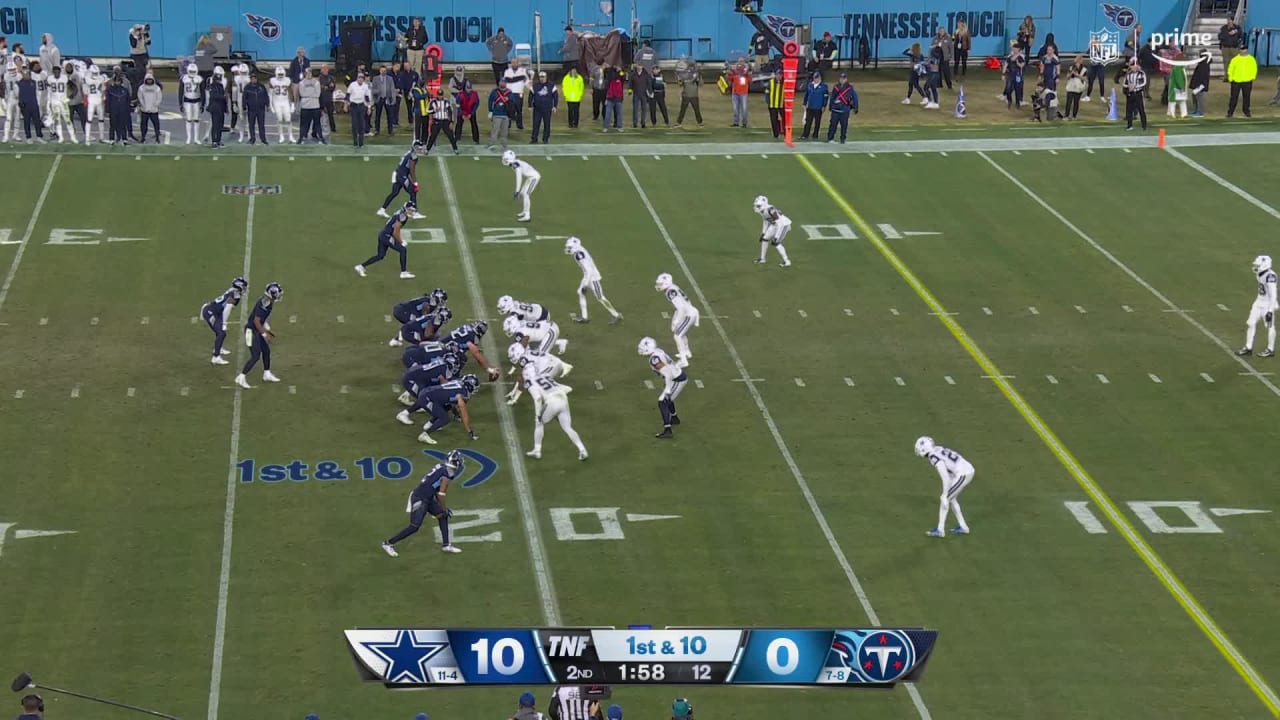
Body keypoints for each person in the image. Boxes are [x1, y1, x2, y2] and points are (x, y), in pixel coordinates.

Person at [508, 343, 587, 460]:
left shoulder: (529, 381)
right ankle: (582, 449)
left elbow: (538, 398)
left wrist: (538, 414)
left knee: (538, 423)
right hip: (562, 398)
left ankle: (537, 450)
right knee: (568, 427)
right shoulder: (545, 375)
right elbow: (568, 388)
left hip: (552, 402)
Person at [381, 449, 465, 556]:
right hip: (420, 498)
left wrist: (441, 509)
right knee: (414, 526)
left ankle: (446, 545)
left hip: (427, 496)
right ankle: (388, 543)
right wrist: (443, 508)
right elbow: (441, 494)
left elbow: (434, 486)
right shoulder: (448, 473)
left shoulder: (442, 467)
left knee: (443, 516)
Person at [915, 436, 976, 537]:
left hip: (964, 473)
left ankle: (940, 530)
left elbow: (946, 478)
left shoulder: (933, 457)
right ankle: (963, 527)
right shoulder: (937, 448)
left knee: (945, 498)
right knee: (951, 498)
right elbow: (950, 466)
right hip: (963, 470)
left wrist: (945, 493)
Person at [234, 282, 284, 389]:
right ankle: (241, 377)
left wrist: (267, 330)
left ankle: (267, 374)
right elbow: (256, 321)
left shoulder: (268, 301)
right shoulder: (265, 303)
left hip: (256, 330)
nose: (279, 295)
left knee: (266, 351)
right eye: (278, 294)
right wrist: (265, 334)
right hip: (250, 331)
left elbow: (261, 321)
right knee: (255, 356)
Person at [565, 236, 622, 324]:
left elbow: (589, 270)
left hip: (592, 278)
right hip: (587, 276)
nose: (568, 248)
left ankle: (616, 315)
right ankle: (584, 317)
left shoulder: (579, 256)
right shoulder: (579, 248)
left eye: (570, 247)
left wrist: (585, 285)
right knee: (580, 292)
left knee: (600, 298)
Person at [638, 336, 687, 439]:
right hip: (675, 376)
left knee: (662, 402)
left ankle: (667, 430)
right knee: (667, 399)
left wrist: (668, 389)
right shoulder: (657, 351)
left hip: (677, 379)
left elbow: (667, 373)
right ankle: (674, 418)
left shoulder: (654, 359)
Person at [356, 202, 417, 279]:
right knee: (403, 250)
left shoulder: (400, 213)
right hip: (387, 236)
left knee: (380, 256)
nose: (412, 212)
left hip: (383, 234)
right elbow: (395, 232)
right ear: (406, 209)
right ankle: (403, 273)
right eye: (411, 210)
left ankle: (361, 266)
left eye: (413, 210)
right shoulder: (403, 217)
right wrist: (401, 241)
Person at [654, 272, 700, 367]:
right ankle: (686, 352)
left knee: (677, 336)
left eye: (660, 284)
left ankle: (684, 361)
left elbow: (681, 308)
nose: (658, 285)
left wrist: (676, 321)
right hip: (689, 311)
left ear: (666, 283)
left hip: (688, 314)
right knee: (677, 331)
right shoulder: (672, 287)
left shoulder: (670, 292)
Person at [1237, 254, 1278, 358]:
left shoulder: (1270, 276)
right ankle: (1248, 347)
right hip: (1258, 301)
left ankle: (1270, 349)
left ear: (1264, 265)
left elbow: (1273, 295)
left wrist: (1270, 310)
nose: (1256, 267)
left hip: (1268, 303)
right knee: (1250, 323)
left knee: (1269, 326)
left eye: (1258, 265)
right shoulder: (1260, 273)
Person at [202, 277, 247, 364]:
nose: (245, 289)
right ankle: (216, 357)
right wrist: (224, 323)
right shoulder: (234, 296)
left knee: (221, 333)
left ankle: (218, 348)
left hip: (216, 312)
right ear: (239, 288)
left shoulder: (234, 292)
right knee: (221, 333)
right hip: (210, 313)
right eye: (243, 287)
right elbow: (227, 310)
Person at [752, 195, 792, 267]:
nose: (757, 207)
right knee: (765, 239)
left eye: (758, 206)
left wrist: (776, 237)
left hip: (783, 225)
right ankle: (762, 259)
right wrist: (763, 233)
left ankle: (787, 261)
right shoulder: (762, 211)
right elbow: (766, 220)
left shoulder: (770, 210)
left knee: (776, 243)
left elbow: (780, 223)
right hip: (775, 224)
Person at [503, 150, 540, 222]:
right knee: (523, 193)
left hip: (534, 177)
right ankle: (525, 211)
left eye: (505, 159)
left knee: (526, 194)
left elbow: (519, 178)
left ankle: (527, 215)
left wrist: (517, 191)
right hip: (530, 177)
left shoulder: (515, 165)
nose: (504, 160)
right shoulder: (515, 162)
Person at [45, 63, 74, 143]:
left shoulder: (64, 78)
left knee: (67, 120)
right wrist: (49, 103)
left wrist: (69, 98)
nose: (56, 73)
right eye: (55, 72)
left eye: (58, 72)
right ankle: (61, 137)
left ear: (60, 72)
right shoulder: (49, 79)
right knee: (57, 120)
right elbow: (48, 92)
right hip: (54, 102)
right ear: (53, 72)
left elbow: (74, 87)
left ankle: (72, 137)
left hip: (63, 101)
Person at [826, 72, 857, 143]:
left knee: (844, 126)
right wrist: (831, 106)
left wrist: (855, 107)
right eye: (841, 78)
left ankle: (843, 138)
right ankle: (830, 138)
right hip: (835, 110)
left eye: (843, 78)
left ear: (846, 79)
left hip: (845, 110)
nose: (842, 80)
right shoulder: (836, 87)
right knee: (833, 125)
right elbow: (832, 97)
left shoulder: (850, 88)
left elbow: (854, 97)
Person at [425, 87, 458, 153]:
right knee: (433, 136)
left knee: (450, 135)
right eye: (439, 95)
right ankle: (427, 149)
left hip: (445, 121)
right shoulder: (433, 102)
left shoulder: (447, 101)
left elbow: (451, 112)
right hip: (436, 121)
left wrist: (451, 122)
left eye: (441, 95)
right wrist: (435, 110)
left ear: (443, 95)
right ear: (437, 95)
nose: (440, 96)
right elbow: (427, 110)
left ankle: (455, 148)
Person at [1227, 46, 1256, 118]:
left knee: (1246, 97)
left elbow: (1254, 68)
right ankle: (1230, 112)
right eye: (1241, 50)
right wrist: (1231, 78)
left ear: (1246, 50)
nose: (1243, 51)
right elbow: (1230, 69)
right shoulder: (1235, 59)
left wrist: (1252, 77)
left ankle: (1246, 111)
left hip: (1247, 81)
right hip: (1236, 81)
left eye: (1244, 49)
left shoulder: (1251, 59)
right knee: (1234, 97)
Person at [529, 70, 557, 143]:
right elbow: (530, 95)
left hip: (547, 108)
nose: (542, 78)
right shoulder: (535, 86)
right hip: (537, 108)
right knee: (535, 124)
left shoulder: (551, 85)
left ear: (546, 77)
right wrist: (530, 105)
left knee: (547, 124)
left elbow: (556, 96)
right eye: (540, 77)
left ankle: (545, 139)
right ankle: (534, 138)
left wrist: (555, 106)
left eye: (543, 77)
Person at [503, 56, 530, 130]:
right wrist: (520, 78)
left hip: (519, 93)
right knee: (508, 109)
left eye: (515, 62)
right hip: (509, 93)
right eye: (512, 62)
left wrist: (530, 86)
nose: (514, 64)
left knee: (519, 109)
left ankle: (519, 124)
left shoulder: (523, 71)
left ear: (518, 63)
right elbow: (508, 80)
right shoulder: (507, 71)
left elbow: (526, 81)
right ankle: (508, 124)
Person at [297, 67, 323, 143]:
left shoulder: (317, 82)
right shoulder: (301, 83)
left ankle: (321, 138)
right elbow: (302, 94)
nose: (309, 74)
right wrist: (312, 93)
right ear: (305, 74)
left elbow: (318, 94)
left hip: (315, 107)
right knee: (303, 124)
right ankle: (301, 138)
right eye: (307, 73)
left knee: (317, 124)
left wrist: (308, 94)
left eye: (310, 73)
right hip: (305, 107)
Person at [269, 66, 294, 142]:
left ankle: (290, 136)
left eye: (281, 74)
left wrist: (292, 104)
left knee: (288, 119)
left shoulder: (287, 80)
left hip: (285, 102)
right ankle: (281, 136)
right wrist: (271, 105)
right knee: (279, 119)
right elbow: (270, 94)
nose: (280, 75)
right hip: (277, 102)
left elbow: (290, 92)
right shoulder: (272, 80)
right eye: (279, 74)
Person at [17, 68, 43, 142]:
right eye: (24, 74)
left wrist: (38, 103)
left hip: (34, 105)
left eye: (27, 74)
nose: (26, 76)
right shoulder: (19, 83)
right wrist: (21, 103)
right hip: (25, 106)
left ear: (30, 74)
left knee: (37, 121)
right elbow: (16, 94)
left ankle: (39, 136)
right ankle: (28, 137)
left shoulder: (34, 82)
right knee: (27, 122)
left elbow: (38, 93)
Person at [673, 59, 702, 127]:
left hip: (694, 95)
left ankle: (700, 122)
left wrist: (698, 79)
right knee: (682, 110)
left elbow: (701, 84)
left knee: (696, 110)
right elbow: (680, 84)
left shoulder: (697, 75)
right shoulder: (684, 75)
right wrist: (679, 79)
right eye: (690, 67)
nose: (691, 68)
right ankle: (678, 122)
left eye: (692, 67)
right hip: (686, 95)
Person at [487, 76, 513, 150]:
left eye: (504, 82)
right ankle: (490, 144)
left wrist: (508, 99)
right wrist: (490, 111)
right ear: (499, 83)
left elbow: (513, 101)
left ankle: (504, 145)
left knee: (504, 132)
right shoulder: (494, 91)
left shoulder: (509, 92)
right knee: (495, 130)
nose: (503, 83)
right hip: (496, 114)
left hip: (506, 114)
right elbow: (490, 101)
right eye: (501, 82)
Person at [242, 72, 269, 144]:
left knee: (261, 124)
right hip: (251, 109)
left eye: (254, 78)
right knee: (251, 125)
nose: (253, 80)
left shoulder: (261, 86)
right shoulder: (247, 87)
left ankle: (263, 139)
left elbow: (266, 96)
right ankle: (252, 139)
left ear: (257, 79)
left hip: (261, 108)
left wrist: (267, 104)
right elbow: (244, 98)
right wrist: (244, 107)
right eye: (252, 78)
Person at [371, 64, 397, 136]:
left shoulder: (390, 78)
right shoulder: (375, 79)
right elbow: (373, 90)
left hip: (387, 98)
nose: (383, 72)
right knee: (377, 115)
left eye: (385, 71)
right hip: (379, 99)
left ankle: (390, 130)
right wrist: (378, 91)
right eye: (382, 71)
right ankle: (377, 130)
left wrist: (393, 99)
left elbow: (392, 89)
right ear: (379, 71)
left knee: (390, 115)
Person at [346, 70, 371, 146]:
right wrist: (346, 105)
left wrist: (369, 108)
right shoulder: (352, 85)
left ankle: (361, 142)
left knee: (362, 124)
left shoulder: (365, 86)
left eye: (362, 78)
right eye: (359, 78)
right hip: (354, 106)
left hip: (361, 106)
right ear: (357, 78)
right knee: (354, 124)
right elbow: (347, 95)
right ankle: (355, 141)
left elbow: (367, 98)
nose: (360, 79)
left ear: (363, 79)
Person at [84, 64, 107, 143]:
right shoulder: (100, 78)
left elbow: (85, 91)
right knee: (92, 120)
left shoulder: (87, 79)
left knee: (98, 120)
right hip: (94, 100)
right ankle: (94, 138)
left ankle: (98, 137)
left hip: (95, 100)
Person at [135, 71, 161, 142]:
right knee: (143, 125)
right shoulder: (141, 88)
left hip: (154, 110)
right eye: (148, 80)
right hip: (144, 110)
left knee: (156, 124)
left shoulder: (157, 88)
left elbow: (159, 98)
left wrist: (155, 105)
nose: (149, 81)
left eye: (150, 80)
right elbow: (140, 97)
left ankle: (157, 137)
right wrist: (143, 105)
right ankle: (143, 137)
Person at [1123, 58, 1148, 130]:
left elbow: (1144, 82)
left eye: (1135, 65)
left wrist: (1135, 86)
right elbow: (1125, 83)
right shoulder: (1129, 74)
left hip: (1138, 93)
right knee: (1129, 110)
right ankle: (1129, 125)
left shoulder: (1141, 73)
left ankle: (1144, 125)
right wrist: (1128, 87)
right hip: (1131, 94)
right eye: (1132, 65)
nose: (1134, 67)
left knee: (1141, 109)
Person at [801, 71, 827, 139]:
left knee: (817, 122)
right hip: (810, 106)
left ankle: (815, 135)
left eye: (817, 78)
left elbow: (825, 97)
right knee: (808, 121)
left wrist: (824, 105)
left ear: (820, 78)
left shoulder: (823, 86)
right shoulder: (810, 85)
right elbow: (806, 95)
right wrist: (804, 103)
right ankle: (805, 134)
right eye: (815, 78)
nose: (816, 79)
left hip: (818, 107)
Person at [207, 69, 228, 147]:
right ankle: (214, 141)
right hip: (214, 107)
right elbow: (213, 96)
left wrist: (226, 108)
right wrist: (223, 97)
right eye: (217, 80)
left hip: (221, 108)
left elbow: (223, 98)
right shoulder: (212, 86)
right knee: (215, 125)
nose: (219, 81)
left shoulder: (221, 86)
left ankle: (218, 140)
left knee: (220, 125)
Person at [397, 61, 420, 128]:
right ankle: (411, 121)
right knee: (409, 107)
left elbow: (417, 82)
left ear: (410, 65)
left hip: (415, 92)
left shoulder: (415, 74)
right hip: (407, 93)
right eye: (405, 66)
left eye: (407, 65)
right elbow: (401, 84)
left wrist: (414, 90)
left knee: (416, 107)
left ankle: (417, 120)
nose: (406, 67)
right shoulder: (402, 74)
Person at [1219, 18, 1243, 82]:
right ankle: (1226, 77)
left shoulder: (1237, 28)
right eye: (1228, 20)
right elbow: (1220, 37)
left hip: (1234, 48)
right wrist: (1228, 33)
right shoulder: (1223, 28)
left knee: (1235, 62)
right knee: (1226, 63)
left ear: (1233, 21)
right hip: (1225, 48)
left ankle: (1235, 76)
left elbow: (1241, 36)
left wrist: (1235, 32)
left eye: (1230, 20)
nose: (1229, 22)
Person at [728, 61, 750, 127]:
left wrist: (747, 74)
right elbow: (729, 78)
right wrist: (729, 73)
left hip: (743, 93)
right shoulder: (735, 73)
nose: (739, 64)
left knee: (744, 108)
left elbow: (750, 80)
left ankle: (744, 123)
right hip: (735, 93)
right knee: (735, 109)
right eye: (739, 62)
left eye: (741, 62)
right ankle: (736, 122)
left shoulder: (746, 73)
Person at [603, 66, 624, 131]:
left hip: (618, 98)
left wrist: (621, 70)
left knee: (619, 114)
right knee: (608, 114)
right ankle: (606, 127)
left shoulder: (620, 78)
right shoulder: (609, 80)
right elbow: (607, 75)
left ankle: (619, 126)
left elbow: (624, 76)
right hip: (610, 98)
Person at [1190, 52, 1210, 117]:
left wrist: (1201, 85)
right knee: (1195, 97)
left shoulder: (1205, 64)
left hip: (1200, 84)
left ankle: (1200, 112)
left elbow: (1203, 76)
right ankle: (1196, 110)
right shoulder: (1201, 63)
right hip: (1197, 83)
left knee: (1199, 98)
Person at [1167, 54, 1188, 118]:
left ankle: (1183, 114)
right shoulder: (1177, 68)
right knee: (1173, 101)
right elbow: (1178, 78)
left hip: (1177, 87)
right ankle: (1172, 114)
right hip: (1176, 87)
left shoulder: (1179, 67)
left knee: (1180, 101)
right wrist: (1181, 87)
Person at [318, 64, 337, 133]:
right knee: (320, 114)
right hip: (321, 98)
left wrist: (327, 87)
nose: (325, 70)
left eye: (326, 68)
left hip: (329, 99)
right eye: (324, 68)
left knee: (330, 114)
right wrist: (327, 86)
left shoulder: (331, 78)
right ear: (321, 70)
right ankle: (318, 127)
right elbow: (321, 87)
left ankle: (333, 128)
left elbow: (333, 87)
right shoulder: (320, 78)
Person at [766, 70, 785, 136]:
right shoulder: (771, 82)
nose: (779, 76)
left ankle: (785, 132)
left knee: (785, 118)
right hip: (772, 104)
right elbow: (767, 92)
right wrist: (768, 101)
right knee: (774, 120)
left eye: (780, 75)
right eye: (778, 75)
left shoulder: (785, 82)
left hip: (782, 104)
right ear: (775, 75)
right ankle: (775, 133)